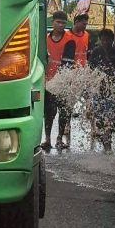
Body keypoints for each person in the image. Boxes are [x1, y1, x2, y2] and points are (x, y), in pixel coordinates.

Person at [43, 10, 75, 151]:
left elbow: (66, 64)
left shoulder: (69, 40)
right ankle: (47, 139)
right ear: (53, 22)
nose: (61, 25)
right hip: (46, 82)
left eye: (63, 23)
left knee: (63, 112)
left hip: (63, 81)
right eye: (58, 22)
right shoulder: (45, 39)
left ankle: (59, 139)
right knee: (48, 112)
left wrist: (57, 83)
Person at [62, 12, 90, 146]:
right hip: (71, 73)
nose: (85, 26)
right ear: (76, 22)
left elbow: (85, 52)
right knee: (69, 101)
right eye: (83, 23)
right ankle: (67, 125)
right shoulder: (66, 36)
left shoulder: (86, 35)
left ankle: (94, 126)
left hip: (83, 73)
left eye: (86, 24)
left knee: (89, 99)